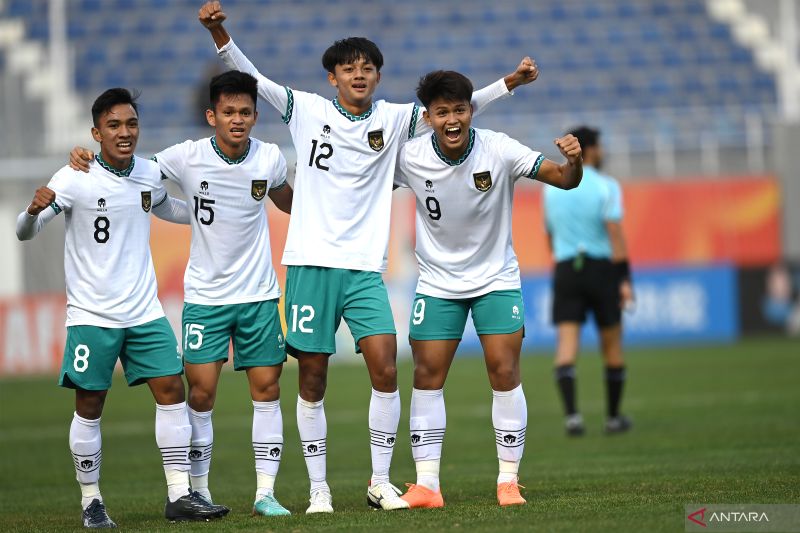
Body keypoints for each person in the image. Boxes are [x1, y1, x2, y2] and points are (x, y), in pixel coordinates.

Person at [198, 0, 539, 513]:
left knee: (385, 367)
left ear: (378, 76)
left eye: (367, 68)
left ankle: (380, 481)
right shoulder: (305, 109)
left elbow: (453, 110)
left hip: (363, 269)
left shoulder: (395, 119)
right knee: (312, 376)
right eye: (348, 68)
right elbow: (253, 78)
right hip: (311, 263)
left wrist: (507, 84)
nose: (358, 74)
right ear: (332, 77)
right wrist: (220, 35)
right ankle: (318, 489)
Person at [68, 71, 294, 517]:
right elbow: (131, 168)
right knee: (201, 395)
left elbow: (289, 201)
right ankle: (199, 490)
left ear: (255, 116)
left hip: (259, 295)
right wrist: (86, 158)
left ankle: (265, 493)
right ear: (212, 116)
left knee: (267, 390)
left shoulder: (269, 158)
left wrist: (330, 201)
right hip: (206, 298)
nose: (237, 119)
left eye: (245, 112)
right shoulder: (185, 157)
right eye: (228, 112)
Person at [16, 88, 229, 527]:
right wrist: (31, 212)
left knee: (171, 391)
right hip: (92, 315)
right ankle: (91, 501)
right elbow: (26, 232)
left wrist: (213, 211)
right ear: (96, 133)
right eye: (113, 125)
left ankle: (179, 495)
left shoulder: (148, 173)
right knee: (90, 404)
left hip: (144, 311)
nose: (124, 132)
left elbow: (167, 208)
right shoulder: (74, 176)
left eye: (131, 123)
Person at [393, 70, 582, 508]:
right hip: (437, 282)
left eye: (460, 109)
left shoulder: (499, 148)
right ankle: (427, 485)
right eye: (442, 112)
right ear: (428, 117)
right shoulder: (409, 156)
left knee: (504, 370)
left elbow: (564, 179)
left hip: (496, 279)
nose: (452, 120)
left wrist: (575, 162)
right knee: (426, 375)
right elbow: (362, 181)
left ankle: (508, 482)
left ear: (471, 111)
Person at [542, 126, 634, 437]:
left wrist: (561, 260)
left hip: (566, 268)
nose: (603, 152)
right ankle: (613, 418)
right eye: (600, 146)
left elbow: (549, 235)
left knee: (566, 346)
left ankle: (572, 417)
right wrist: (624, 280)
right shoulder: (607, 186)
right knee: (612, 346)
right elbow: (615, 234)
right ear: (591, 149)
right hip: (601, 269)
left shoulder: (551, 188)